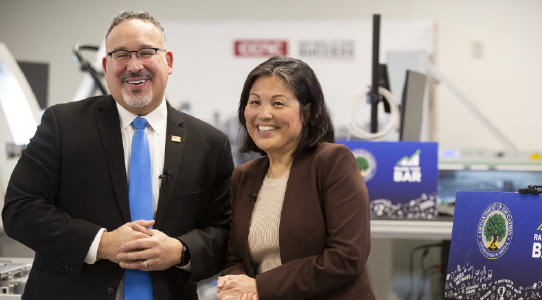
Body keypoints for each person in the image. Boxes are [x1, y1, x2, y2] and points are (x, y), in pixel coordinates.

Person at [2, 11, 233, 300]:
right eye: (121, 54)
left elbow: (224, 233)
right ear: (105, 64)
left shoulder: (209, 143)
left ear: (169, 61)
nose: (134, 66)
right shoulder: (62, 125)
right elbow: (19, 210)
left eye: (146, 52)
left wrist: (181, 251)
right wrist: (103, 243)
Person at [216, 56, 375, 300]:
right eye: (255, 102)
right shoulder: (244, 176)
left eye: (278, 104)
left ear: (307, 111)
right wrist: (237, 286)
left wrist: (261, 286)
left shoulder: (332, 162)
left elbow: (346, 256)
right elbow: (236, 257)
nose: (264, 114)